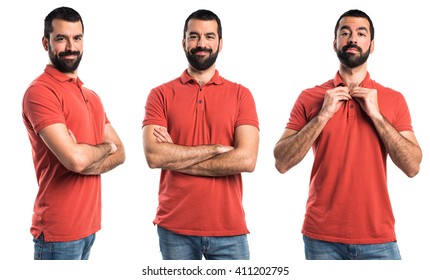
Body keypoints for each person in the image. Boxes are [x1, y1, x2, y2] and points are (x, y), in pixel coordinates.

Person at [273, 9, 422, 260]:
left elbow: (412, 166)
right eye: (345, 33)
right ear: (335, 44)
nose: (352, 38)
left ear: (371, 45)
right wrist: (322, 116)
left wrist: (377, 116)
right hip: (322, 238)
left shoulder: (393, 99)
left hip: (378, 238)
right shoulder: (310, 97)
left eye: (361, 33)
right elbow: (281, 161)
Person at [142, 9, 259, 260]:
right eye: (194, 37)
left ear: (220, 43)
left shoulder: (241, 95)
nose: (201, 44)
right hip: (175, 227)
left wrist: (176, 156)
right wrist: (216, 149)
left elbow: (246, 160)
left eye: (209, 36)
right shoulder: (160, 94)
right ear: (183, 42)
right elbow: (154, 156)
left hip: (229, 228)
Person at [22, 6, 125, 260]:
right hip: (58, 234)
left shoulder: (91, 96)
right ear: (46, 42)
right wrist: (103, 149)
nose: (71, 46)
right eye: (61, 38)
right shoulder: (41, 92)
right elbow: (74, 160)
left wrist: (85, 155)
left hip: (89, 229)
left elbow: (121, 152)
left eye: (77, 38)